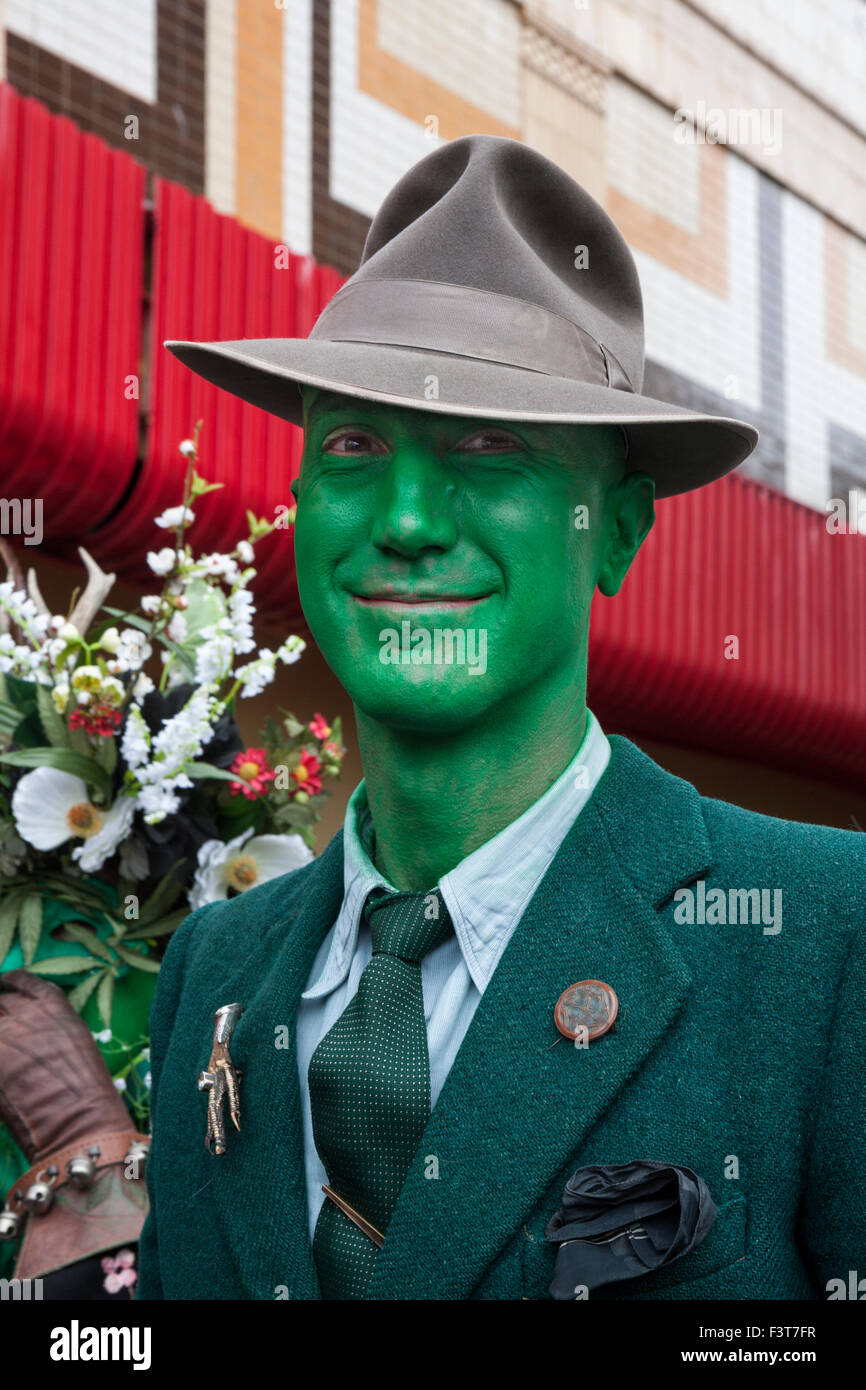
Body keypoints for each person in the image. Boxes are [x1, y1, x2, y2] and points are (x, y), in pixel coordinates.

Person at [136, 135, 865, 1301]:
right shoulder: (213, 969)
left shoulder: (825, 936)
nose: (409, 518)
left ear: (618, 531)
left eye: (488, 446)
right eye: (354, 447)